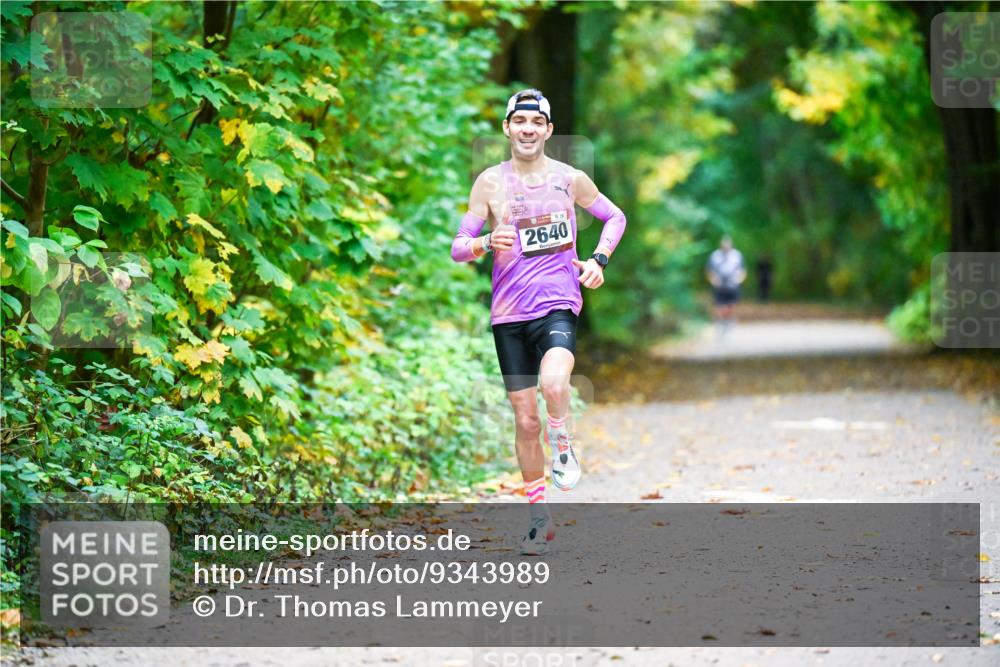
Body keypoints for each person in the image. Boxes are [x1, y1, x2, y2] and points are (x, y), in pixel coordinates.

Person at [451, 89, 627, 555]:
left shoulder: (570, 180)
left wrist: (599, 260)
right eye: (520, 121)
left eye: (537, 122)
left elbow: (614, 217)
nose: (528, 128)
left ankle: (562, 437)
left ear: (549, 130)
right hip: (508, 315)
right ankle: (537, 518)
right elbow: (457, 246)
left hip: (557, 301)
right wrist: (486, 242)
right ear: (508, 128)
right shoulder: (489, 183)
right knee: (524, 421)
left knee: (554, 385)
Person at [705, 235, 746, 338]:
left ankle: (729, 323)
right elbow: (709, 270)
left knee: (731, 306)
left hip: (732, 286)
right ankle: (720, 324)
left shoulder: (737, 255)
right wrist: (713, 281)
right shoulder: (715, 256)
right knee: (719, 307)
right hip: (719, 286)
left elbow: (742, 270)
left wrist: (739, 280)